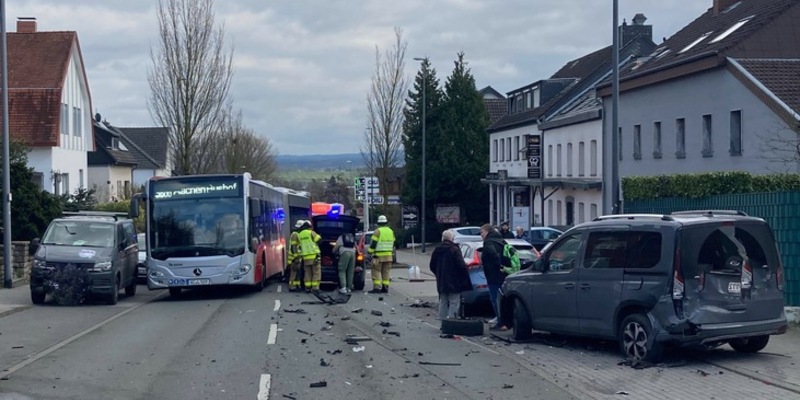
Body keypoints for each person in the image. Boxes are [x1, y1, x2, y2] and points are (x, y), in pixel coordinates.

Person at [429, 229, 473, 321]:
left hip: (442, 280)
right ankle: (452, 320)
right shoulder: (454, 249)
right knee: (454, 301)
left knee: (443, 300)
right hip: (454, 280)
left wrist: (438, 274)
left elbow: (432, 265)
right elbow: (461, 265)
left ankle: (442, 319)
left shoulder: (437, 250)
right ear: (452, 238)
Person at [480, 223, 509, 331]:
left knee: (495, 299)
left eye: (482, 232)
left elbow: (494, 255)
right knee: (502, 299)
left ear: (487, 232)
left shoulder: (489, 243)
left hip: (494, 275)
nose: (481, 235)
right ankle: (506, 321)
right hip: (504, 275)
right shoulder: (501, 241)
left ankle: (501, 323)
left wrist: (497, 265)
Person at [368, 215, 395, 294]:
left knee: (376, 271)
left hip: (378, 256)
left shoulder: (377, 231)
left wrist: (370, 251)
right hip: (389, 256)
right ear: (386, 223)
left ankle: (377, 287)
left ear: (378, 223)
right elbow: (393, 243)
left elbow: (373, 243)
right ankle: (385, 287)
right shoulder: (391, 231)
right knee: (386, 271)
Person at [296, 220, 322, 293]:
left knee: (307, 272)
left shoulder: (299, 235)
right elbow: (319, 240)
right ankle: (315, 288)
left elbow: (299, 246)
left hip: (305, 257)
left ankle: (307, 287)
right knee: (316, 272)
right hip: (314, 256)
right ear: (309, 227)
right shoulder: (311, 232)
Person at [287, 220, 305, 292]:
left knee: (297, 273)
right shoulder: (295, 234)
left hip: (297, 258)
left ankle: (296, 286)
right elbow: (293, 247)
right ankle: (291, 287)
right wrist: (296, 257)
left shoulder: (296, 234)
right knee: (293, 273)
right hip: (294, 258)